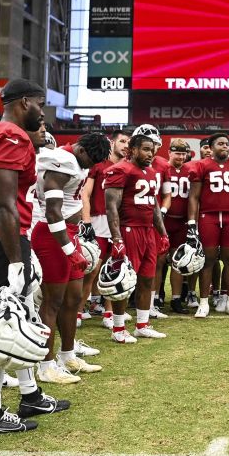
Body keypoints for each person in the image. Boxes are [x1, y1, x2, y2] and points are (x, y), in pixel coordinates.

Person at [0, 78, 68, 434]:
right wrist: (15, 260)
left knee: (18, 317)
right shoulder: (10, 135)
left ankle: (30, 393)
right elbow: (4, 205)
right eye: (40, 104)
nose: (43, 112)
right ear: (25, 102)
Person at [32, 132, 110, 382]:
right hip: (53, 236)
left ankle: (67, 354)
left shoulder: (75, 160)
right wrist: (69, 250)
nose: (91, 167)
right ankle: (45, 366)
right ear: (81, 150)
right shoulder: (61, 163)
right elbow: (53, 213)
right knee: (52, 302)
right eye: (90, 161)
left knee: (74, 297)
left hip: (70, 233)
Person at [104, 132, 171, 341]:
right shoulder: (120, 170)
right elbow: (111, 207)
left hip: (147, 230)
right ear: (132, 150)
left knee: (147, 278)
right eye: (145, 149)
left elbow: (155, 206)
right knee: (124, 280)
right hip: (128, 230)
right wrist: (116, 239)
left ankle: (142, 324)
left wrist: (163, 233)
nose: (150, 154)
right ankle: (118, 328)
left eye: (152, 150)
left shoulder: (150, 172)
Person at [188, 132, 229, 317]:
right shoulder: (201, 165)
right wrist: (192, 222)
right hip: (208, 216)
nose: (225, 146)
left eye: (227, 144)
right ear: (211, 147)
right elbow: (194, 197)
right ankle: (203, 303)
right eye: (220, 144)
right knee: (207, 260)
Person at [79, 128, 130, 329]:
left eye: (128, 142)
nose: (125, 146)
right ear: (112, 143)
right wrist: (86, 222)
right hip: (99, 222)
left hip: (118, 224)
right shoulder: (99, 165)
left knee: (115, 269)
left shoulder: (129, 167)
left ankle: (109, 313)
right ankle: (78, 310)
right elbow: (86, 194)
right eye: (122, 141)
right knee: (92, 270)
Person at [161, 139, 198, 313]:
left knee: (178, 261)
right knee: (158, 261)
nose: (181, 157)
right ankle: (154, 297)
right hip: (164, 220)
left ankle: (176, 299)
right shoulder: (162, 168)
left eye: (184, 154)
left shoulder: (191, 170)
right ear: (169, 152)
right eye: (177, 153)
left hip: (182, 222)